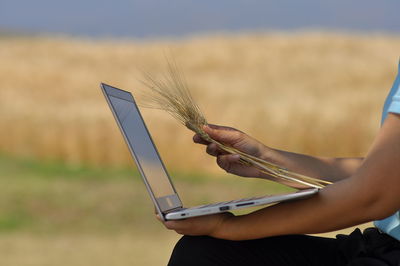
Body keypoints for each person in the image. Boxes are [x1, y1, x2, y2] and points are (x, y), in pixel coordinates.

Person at [160, 61, 400, 266]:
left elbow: (374, 195)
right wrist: (266, 159)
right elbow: (381, 173)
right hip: (377, 246)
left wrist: (228, 227)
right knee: (203, 253)